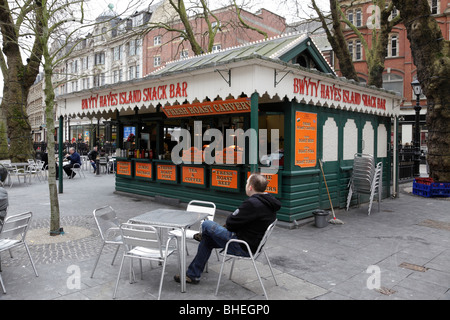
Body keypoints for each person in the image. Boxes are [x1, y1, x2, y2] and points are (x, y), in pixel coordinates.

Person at [174, 173, 281, 284]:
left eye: (246, 183)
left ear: (250, 187)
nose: (246, 185)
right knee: (207, 240)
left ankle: (202, 235)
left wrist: (231, 221)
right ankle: (193, 275)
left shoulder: (252, 203)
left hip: (241, 245)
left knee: (206, 224)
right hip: (253, 245)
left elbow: (230, 223)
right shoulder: (269, 203)